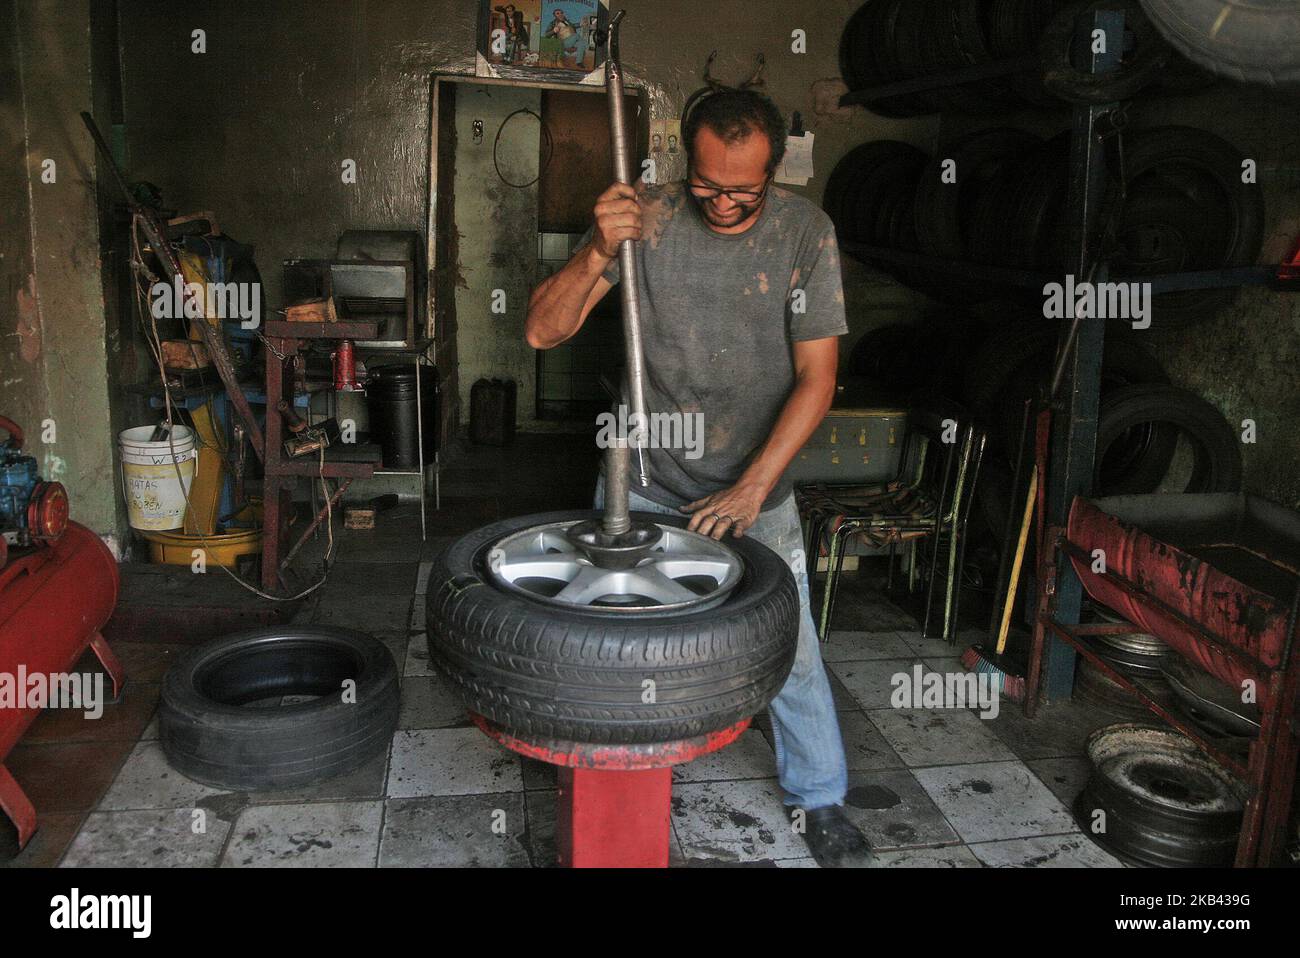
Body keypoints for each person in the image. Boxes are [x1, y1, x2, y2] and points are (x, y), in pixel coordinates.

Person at [525, 90, 873, 868]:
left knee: (792, 650)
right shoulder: (643, 216)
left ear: (773, 172)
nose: (723, 202)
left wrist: (753, 488)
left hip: (755, 488)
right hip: (643, 478)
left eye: (743, 190)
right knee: (610, 648)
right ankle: (611, 788)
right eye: (709, 184)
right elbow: (540, 330)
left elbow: (818, 378)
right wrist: (593, 253)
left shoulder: (804, 233)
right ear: (688, 161)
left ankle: (819, 799)